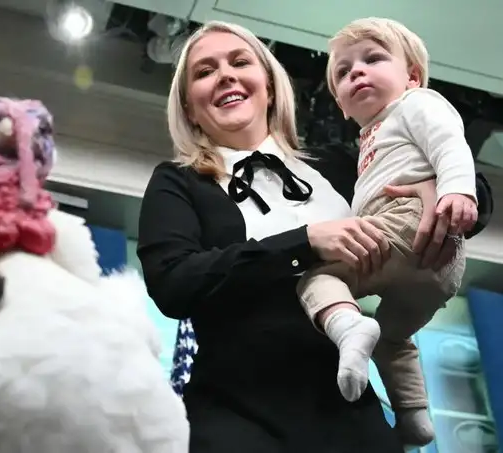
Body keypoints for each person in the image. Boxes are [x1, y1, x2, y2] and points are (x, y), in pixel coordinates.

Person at [137, 20, 494, 453]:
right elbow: (173, 282)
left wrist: (435, 189)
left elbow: (464, 181)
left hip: (349, 409)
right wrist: (303, 243)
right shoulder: (178, 181)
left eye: (240, 62)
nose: (226, 75)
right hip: (237, 410)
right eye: (205, 71)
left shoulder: (337, 164)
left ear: (270, 87)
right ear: (189, 108)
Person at [295, 17, 479, 447]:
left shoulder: (416, 104)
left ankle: (347, 326)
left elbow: (450, 143)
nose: (356, 71)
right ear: (341, 105)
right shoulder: (370, 138)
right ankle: (414, 417)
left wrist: (458, 190)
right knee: (393, 338)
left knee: (315, 277)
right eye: (343, 72)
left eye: (373, 59)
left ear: (412, 76)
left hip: (406, 226)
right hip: (437, 269)